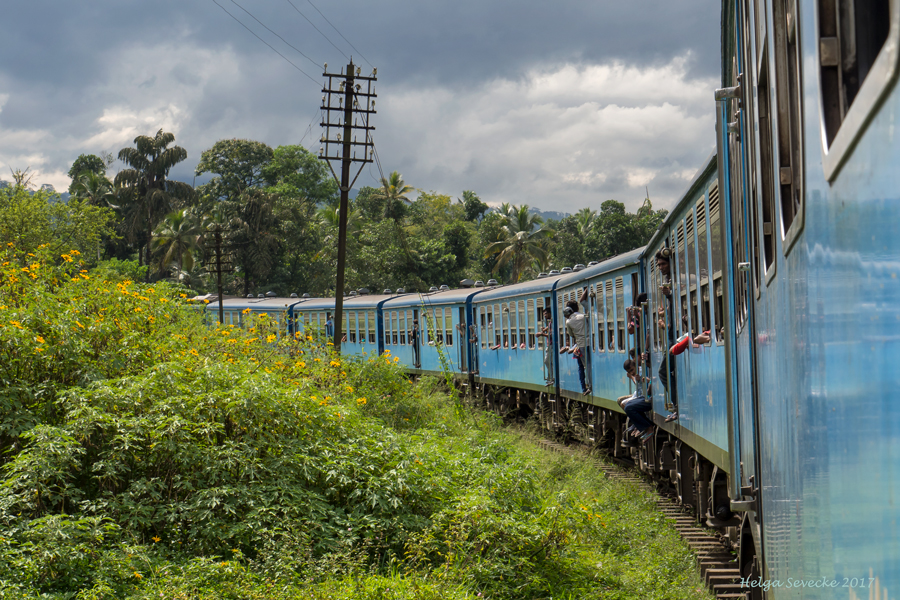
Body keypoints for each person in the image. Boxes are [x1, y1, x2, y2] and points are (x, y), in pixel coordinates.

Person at [655, 248, 678, 422]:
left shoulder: (675, 281)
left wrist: (669, 296)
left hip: (675, 337)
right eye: (659, 265)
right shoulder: (669, 280)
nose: (660, 267)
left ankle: (676, 405)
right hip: (671, 334)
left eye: (663, 264)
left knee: (663, 372)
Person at [563, 287, 591, 395]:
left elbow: (571, 335)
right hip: (590, 343)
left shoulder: (569, 322)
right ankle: (588, 386)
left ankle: (587, 387)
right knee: (587, 365)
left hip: (581, 345)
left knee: (584, 366)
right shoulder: (583, 316)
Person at [623, 359, 655, 443]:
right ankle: (644, 425)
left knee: (628, 407)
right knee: (627, 405)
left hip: (649, 397)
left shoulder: (643, 371)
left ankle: (647, 427)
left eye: (632, 370)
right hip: (645, 396)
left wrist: (647, 381)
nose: (632, 372)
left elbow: (651, 381)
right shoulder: (643, 371)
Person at [536, 306, 554, 384]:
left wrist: (542, 334)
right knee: (548, 361)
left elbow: (551, 334)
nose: (545, 316)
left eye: (546, 314)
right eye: (544, 314)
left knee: (547, 361)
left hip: (551, 345)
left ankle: (551, 377)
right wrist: (544, 329)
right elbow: (549, 327)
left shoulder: (553, 321)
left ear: (550, 313)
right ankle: (551, 377)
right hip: (549, 345)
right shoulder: (551, 321)